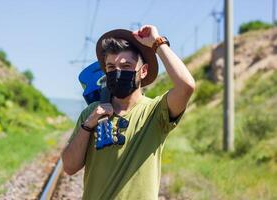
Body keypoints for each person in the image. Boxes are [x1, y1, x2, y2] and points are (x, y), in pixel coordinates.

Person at [61, 25, 195, 200]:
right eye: (111, 67)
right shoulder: (91, 113)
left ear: (143, 71)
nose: (117, 72)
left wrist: (157, 42)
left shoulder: (155, 111)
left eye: (126, 66)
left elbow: (186, 87)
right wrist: (88, 126)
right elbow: (70, 167)